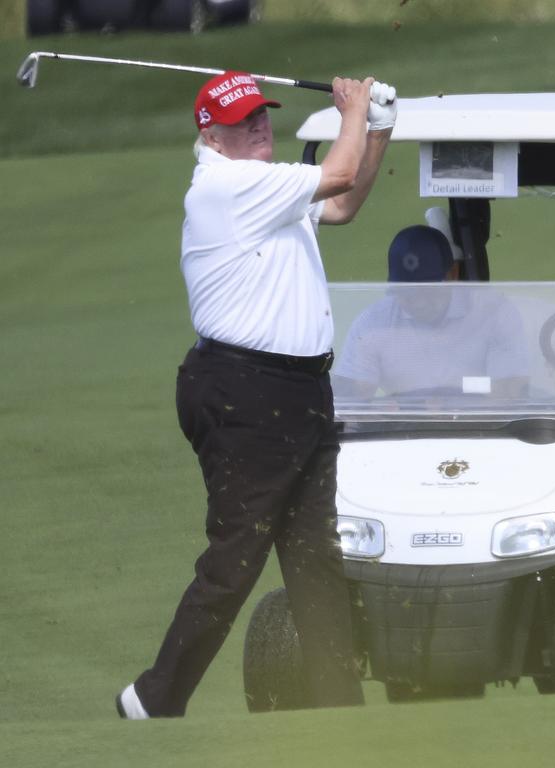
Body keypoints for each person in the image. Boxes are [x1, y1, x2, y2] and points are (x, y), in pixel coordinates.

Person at [116, 69, 396, 718]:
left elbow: (343, 205)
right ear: (211, 136)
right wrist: (354, 110)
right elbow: (340, 175)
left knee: (315, 561)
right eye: (245, 122)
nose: (260, 125)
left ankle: (338, 708)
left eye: (262, 115)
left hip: (296, 393)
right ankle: (154, 698)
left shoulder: (265, 187)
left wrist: (377, 127)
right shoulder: (228, 186)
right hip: (246, 392)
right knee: (237, 559)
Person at [334, 224, 529, 399]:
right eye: (406, 293)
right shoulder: (372, 323)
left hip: (480, 429)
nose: (418, 303)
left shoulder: (495, 312)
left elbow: (510, 390)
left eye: (427, 291)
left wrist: (454, 398)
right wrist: (382, 408)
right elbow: (351, 395)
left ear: (453, 274)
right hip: (404, 429)